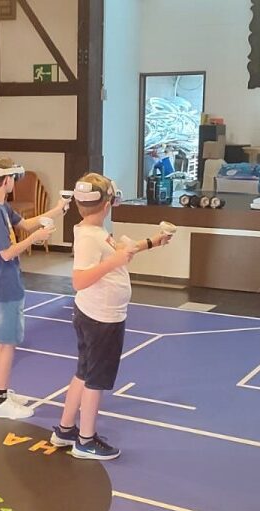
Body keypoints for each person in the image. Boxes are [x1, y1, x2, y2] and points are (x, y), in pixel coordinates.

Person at [50, 172, 171, 459]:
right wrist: (114, 261)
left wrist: (153, 241)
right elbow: (79, 280)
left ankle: (65, 430)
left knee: (84, 372)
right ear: (107, 205)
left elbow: (121, 251)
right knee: (96, 380)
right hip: (101, 318)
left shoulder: (94, 231)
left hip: (95, 314)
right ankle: (85, 440)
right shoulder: (89, 238)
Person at [0, 156, 67, 419]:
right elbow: (6, 253)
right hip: (3, 284)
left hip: (3, 283)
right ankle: (1, 401)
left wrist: (57, 209)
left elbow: (26, 224)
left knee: (2, 343)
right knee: (7, 344)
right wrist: (35, 239)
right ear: (7, 179)